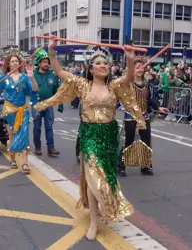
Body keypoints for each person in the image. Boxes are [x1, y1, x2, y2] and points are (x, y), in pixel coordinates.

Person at [34, 38, 144, 241]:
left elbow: (129, 77)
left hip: (109, 136)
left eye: (106, 63)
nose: (103, 66)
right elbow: (59, 72)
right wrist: (51, 50)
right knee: (94, 178)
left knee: (106, 178)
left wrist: (129, 59)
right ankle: (93, 222)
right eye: (98, 63)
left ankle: (101, 209)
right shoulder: (82, 85)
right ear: (91, 68)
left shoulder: (114, 86)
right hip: (89, 136)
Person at [0, 51, 39, 174]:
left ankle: (25, 163)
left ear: (19, 63)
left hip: (23, 110)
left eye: (17, 61)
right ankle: (12, 160)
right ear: (8, 64)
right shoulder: (3, 78)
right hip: (9, 111)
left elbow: (34, 90)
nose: (15, 62)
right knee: (12, 135)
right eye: (12, 61)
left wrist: (32, 78)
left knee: (24, 136)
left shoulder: (25, 77)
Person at [119, 56, 168, 176]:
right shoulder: (127, 83)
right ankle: (121, 166)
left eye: (142, 67)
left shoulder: (146, 84)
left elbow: (149, 99)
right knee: (129, 142)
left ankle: (145, 166)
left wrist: (158, 107)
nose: (140, 70)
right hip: (130, 117)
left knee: (146, 142)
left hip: (144, 117)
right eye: (137, 67)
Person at [32, 49, 62, 156]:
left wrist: (60, 104)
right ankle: (38, 147)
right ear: (39, 63)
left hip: (49, 104)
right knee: (37, 127)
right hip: (37, 105)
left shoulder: (52, 76)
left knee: (49, 127)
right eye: (44, 62)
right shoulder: (33, 75)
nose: (46, 64)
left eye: (47, 62)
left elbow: (58, 91)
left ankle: (51, 148)